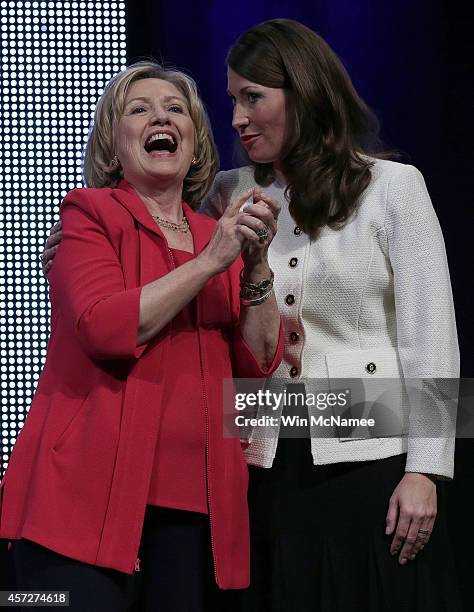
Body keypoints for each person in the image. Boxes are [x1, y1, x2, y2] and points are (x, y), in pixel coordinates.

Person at [40, 19, 460, 612]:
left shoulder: (393, 188)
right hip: (259, 461)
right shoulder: (227, 192)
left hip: (369, 461)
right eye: (232, 98)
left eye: (251, 98)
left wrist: (427, 471)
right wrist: (62, 248)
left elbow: (432, 338)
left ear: (304, 93)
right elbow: (152, 235)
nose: (234, 117)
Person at [0, 61, 284, 612]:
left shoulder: (216, 234)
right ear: (114, 141)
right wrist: (209, 263)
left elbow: (256, 364)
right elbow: (107, 328)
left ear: (196, 143)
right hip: (80, 505)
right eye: (140, 109)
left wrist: (254, 269)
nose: (161, 117)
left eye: (176, 109)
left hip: (195, 512)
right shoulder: (89, 214)